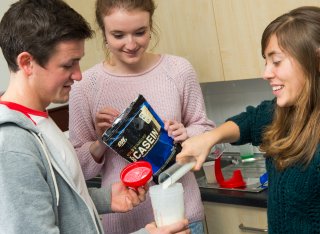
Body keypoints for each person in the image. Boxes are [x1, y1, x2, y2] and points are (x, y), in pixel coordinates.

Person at [0, 0, 190, 233]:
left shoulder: (40, 122)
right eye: (68, 65)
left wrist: (104, 199)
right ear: (27, 63)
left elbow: (59, 200)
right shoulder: (12, 144)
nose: (78, 75)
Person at [68, 0, 215, 233]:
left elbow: (205, 129)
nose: (131, 44)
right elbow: (77, 170)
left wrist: (186, 134)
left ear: (151, 26)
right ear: (103, 33)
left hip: (180, 216)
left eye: (140, 32)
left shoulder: (178, 70)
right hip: (123, 222)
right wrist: (101, 142)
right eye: (118, 35)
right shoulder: (85, 85)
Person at [176, 6, 320, 234]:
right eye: (266, 61)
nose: (266, 73)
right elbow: (249, 121)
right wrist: (210, 138)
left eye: (277, 61)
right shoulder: (280, 113)